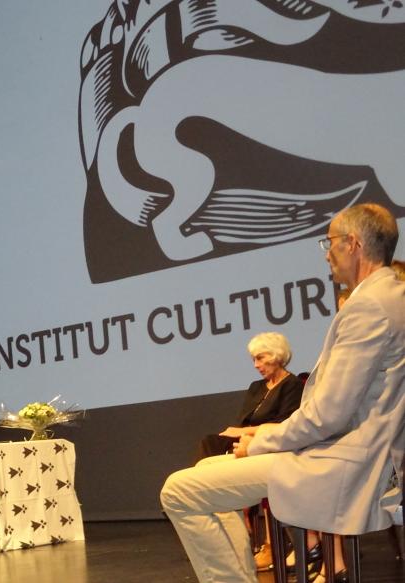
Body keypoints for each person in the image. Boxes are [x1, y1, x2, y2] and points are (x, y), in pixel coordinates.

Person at [160, 203, 405, 583]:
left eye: (330, 242)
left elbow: (329, 415)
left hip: (341, 463)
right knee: (207, 469)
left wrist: (260, 443)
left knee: (178, 491)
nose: (327, 253)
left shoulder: (369, 307)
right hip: (355, 453)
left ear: (353, 244)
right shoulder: (393, 297)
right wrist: (262, 434)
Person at [198, 332, 303, 461]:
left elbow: (283, 426)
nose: (256, 365)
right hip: (243, 438)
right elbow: (241, 422)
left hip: (267, 442)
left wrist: (244, 432)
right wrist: (239, 432)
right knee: (211, 442)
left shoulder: (293, 384)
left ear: (276, 355)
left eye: (260, 358)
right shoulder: (256, 387)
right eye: (254, 359)